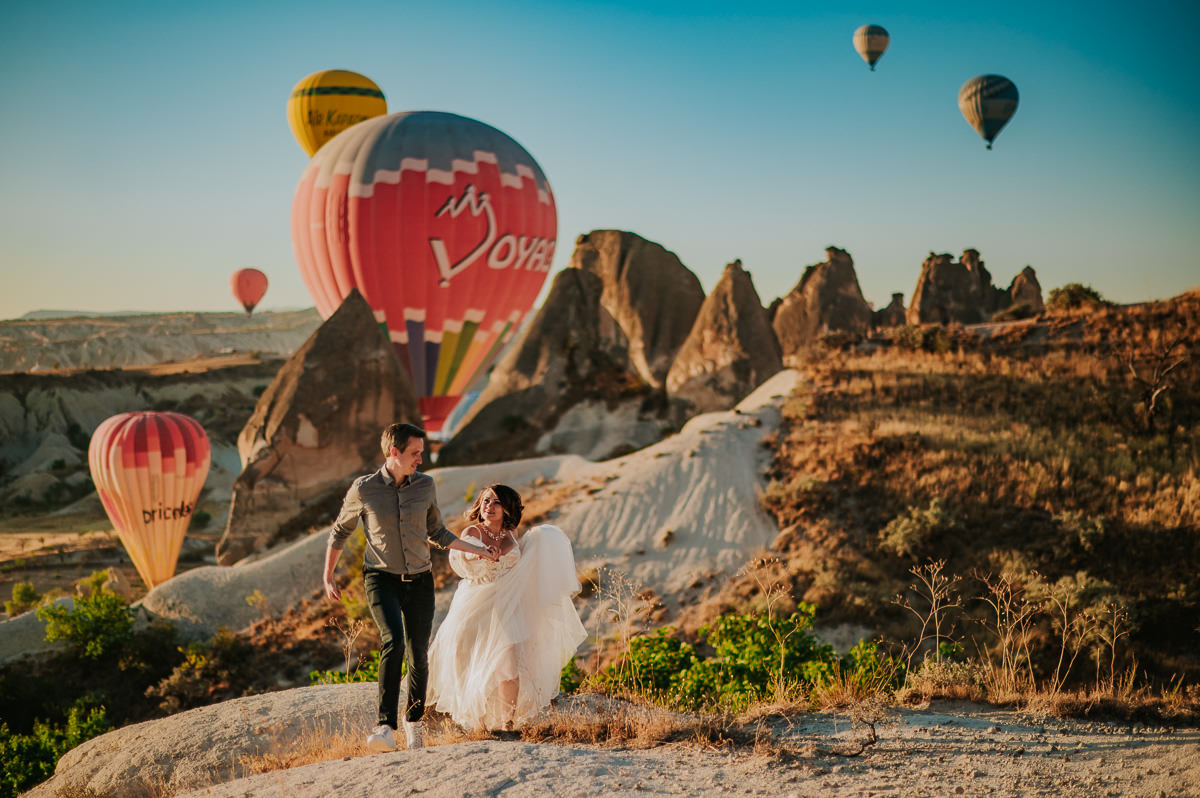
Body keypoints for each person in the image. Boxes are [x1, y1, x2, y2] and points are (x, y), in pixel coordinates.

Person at [322, 422, 498, 752]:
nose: (421, 459)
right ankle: (384, 727)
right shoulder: (364, 489)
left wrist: (477, 550)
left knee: (418, 652)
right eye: (415, 453)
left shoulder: (425, 486)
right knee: (394, 642)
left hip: (420, 579)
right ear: (394, 453)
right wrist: (328, 576)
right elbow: (339, 533)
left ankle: (414, 723)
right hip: (380, 577)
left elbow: (437, 532)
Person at [427, 484, 587, 732]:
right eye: (486, 501)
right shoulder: (474, 532)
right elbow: (460, 556)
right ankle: (476, 723)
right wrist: (477, 554)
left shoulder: (511, 536)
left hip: (508, 606)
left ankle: (507, 724)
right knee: (472, 661)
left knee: (509, 662)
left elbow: (522, 568)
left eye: (497, 502)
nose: (489, 506)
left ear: (507, 509)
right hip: (476, 604)